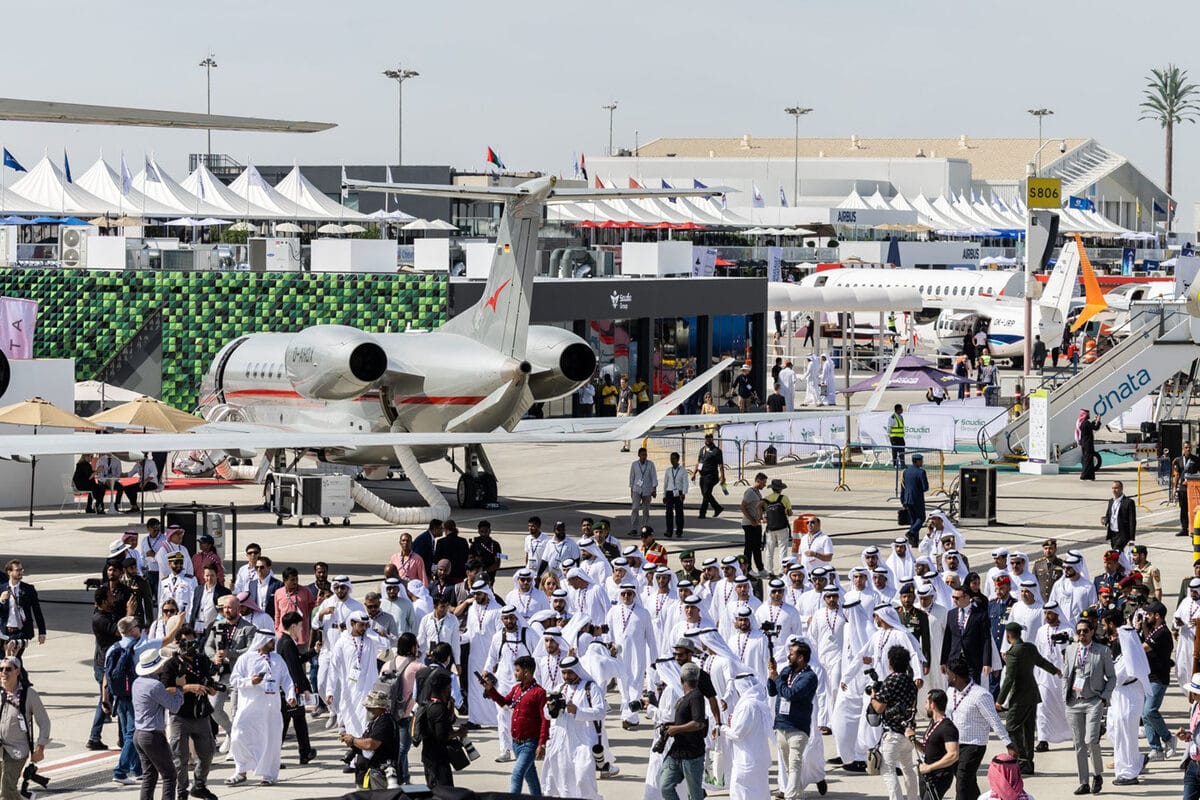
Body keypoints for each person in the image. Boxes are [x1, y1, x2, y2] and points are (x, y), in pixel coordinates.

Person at [133, 648, 207, 800]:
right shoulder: (154, 686)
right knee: (169, 775)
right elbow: (174, 706)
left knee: (149, 775)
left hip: (139, 734)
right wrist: (180, 687)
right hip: (153, 735)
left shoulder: (137, 682)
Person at [226, 630, 296, 787]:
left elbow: (287, 679)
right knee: (238, 737)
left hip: (271, 710)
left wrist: (291, 695)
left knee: (270, 741)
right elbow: (234, 680)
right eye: (271, 641)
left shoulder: (278, 659)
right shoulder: (246, 659)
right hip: (249, 709)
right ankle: (241, 771)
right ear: (262, 641)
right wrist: (251, 681)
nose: (274, 644)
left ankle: (269, 775)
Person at [160, 624, 220, 800]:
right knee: (180, 757)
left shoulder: (201, 660)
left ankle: (199, 785)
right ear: (179, 644)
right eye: (187, 643)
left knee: (208, 752)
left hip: (201, 713)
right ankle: (182, 791)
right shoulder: (171, 664)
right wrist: (187, 688)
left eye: (193, 642)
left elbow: (211, 679)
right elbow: (166, 689)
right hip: (180, 715)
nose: (191, 647)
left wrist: (210, 688)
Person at [944, 658, 1018, 800]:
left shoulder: (981, 695)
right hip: (954, 745)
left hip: (974, 745)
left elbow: (994, 720)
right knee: (969, 783)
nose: (946, 676)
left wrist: (1008, 743)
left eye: (948, 673)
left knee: (962, 782)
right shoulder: (950, 692)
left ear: (955, 676)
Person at [994, 621, 1059, 775]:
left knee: (1011, 726)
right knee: (1028, 729)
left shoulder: (1013, 652)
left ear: (1008, 635)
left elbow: (1009, 678)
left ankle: (1022, 760)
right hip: (1032, 693)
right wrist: (1055, 670)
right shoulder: (1029, 648)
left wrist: (1000, 700)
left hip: (1020, 695)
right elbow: (1041, 662)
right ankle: (1028, 762)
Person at [481, 655, 550, 795]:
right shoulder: (516, 689)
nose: (515, 673)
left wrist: (541, 743)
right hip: (516, 744)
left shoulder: (539, 693)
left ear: (527, 672)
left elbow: (545, 720)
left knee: (517, 775)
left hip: (530, 744)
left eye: (517, 670)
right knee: (531, 778)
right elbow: (504, 702)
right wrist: (490, 689)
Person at [1062, 619, 1114, 795]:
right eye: (1079, 631)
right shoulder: (1070, 650)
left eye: (1085, 631)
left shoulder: (1102, 651)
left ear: (1092, 632)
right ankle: (1083, 781)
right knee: (1078, 744)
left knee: (1091, 740)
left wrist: (1104, 698)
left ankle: (1097, 774)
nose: (1082, 635)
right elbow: (1065, 675)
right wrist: (1065, 697)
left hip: (1093, 700)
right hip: (1074, 701)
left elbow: (1111, 678)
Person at [768, 638, 820, 800]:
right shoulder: (786, 671)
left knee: (795, 762)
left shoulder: (810, 677)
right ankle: (798, 795)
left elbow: (791, 694)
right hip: (782, 725)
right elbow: (772, 692)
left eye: (791, 654)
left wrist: (776, 678)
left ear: (801, 658)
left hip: (798, 727)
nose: (788, 657)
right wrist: (772, 675)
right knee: (789, 766)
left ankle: (790, 797)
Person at [870, 645, 920, 800]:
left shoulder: (890, 681)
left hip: (892, 734)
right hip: (908, 732)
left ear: (890, 662)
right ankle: (913, 798)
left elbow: (879, 708)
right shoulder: (911, 682)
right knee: (908, 769)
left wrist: (873, 696)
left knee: (888, 770)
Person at [0, 655, 49, 800]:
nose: (4, 672)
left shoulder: (29, 695)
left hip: (16, 749)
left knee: (7, 790)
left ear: (17, 672)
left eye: (8, 669)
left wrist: (40, 748)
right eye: (1, 669)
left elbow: (44, 722)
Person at [658, 661, 707, 800]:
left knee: (695, 795)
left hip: (692, 755)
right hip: (677, 752)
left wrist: (676, 729)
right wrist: (671, 725)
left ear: (681, 680)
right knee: (665, 786)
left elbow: (698, 723)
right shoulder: (685, 697)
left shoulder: (696, 696)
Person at [1138, 601, 1177, 761]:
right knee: (1144, 714)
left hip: (1159, 678)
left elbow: (1142, 648)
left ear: (1157, 616)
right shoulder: (1154, 630)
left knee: (1150, 711)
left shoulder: (1162, 633)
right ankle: (1156, 748)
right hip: (1149, 677)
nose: (1146, 617)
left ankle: (1168, 738)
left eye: (1149, 614)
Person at [277, 611, 317, 765]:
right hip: (291, 690)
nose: (301, 629)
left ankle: (305, 752)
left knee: (297, 721)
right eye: (300, 626)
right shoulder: (287, 643)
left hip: (290, 690)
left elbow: (297, 659)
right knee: (287, 724)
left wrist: (313, 652)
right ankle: (302, 752)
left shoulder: (286, 641)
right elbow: (295, 668)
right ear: (293, 626)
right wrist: (304, 687)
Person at [906, 689, 958, 800]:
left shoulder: (947, 727)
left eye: (926, 702)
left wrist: (930, 767)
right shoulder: (933, 723)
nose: (925, 706)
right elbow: (927, 749)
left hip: (939, 776)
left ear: (932, 704)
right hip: (927, 774)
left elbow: (953, 755)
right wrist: (913, 740)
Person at [341, 689, 398, 790]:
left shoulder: (385, 722)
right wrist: (353, 742)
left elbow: (371, 744)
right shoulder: (375, 721)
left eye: (370, 707)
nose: (367, 709)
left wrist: (353, 740)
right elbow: (366, 740)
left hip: (378, 774)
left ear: (380, 708)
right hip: (366, 773)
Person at [419, 670, 463, 789]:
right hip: (437, 759)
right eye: (449, 687)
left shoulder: (429, 703)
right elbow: (441, 736)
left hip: (430, 756)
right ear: (444, 688)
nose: (450, 690)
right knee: (443, 792)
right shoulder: (438, 709)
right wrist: (458, 733)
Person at [942, 587, 993, 686]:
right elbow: (947, 638)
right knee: (954, 688)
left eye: (957, 598)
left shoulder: (980, 614)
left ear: (967, 597)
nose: (954, 600)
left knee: (972, 687)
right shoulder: (951, 614)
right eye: (953, 597)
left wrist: (987, 662)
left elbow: (986, 639)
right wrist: (943, 661)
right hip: (955, 659)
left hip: (972, 660)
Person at [0, 561, 45, 658]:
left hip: (21, 632)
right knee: (7, 663)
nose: (21, 572)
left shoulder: (28, 589)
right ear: (9, 572)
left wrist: (42, 632)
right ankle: (21, 673)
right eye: (17, 570)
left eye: (21, 569)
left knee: (14, 660)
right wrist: (2, 601)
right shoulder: (1, 589)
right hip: (4, 632)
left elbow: (37, 611)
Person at [1176, 672, 1200, 800]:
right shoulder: (1195, 706)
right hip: (1193, 764)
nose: (1192, 695)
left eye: (1194, 692)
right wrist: (1187, 735)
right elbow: (1196, 733)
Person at [740, 473, 768, 578]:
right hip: (749, 524)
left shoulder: (757, 493)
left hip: (756, 524)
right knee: (749, 548)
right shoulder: (750, 492)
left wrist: (761, 518)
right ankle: (748, 569)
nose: (764, 485)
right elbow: (742, 507)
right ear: (758, 480)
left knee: (757, 547)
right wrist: (751, 520)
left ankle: (760, 568)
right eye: (764, 482)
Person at [693, 433, 726, 518]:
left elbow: (721, 465)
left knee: (706, 493)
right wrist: (694, 473)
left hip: (711, 475)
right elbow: (698, 462)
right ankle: (717, 508)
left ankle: (702, 513)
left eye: (709, 437)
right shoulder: (702, 450)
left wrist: (723, 477)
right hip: (702, 476)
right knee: (705, 494)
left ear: (712, 439)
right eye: (706, 437)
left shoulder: (716, 451)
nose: (708, 439)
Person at [902, 454, 930, 547]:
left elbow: (903, 486)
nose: (922, 462)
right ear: (917, 461)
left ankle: (914, 541)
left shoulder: (906, 471)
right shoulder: (921, 472)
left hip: (907, 498)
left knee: (913, 520)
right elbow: (925, 487)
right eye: (921, 460)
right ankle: (912, 532)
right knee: (921, 517)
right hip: (917, 499)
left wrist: (903, 499)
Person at [1101, 480, 1136, 553]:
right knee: (1119, 555)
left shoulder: (1128, 502)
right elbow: (1108, 515)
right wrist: (1105, 519)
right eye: (1113, 488)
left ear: (1121, 488)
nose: (1114, 490)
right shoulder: (1111, 501)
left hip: (1123, 534)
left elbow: (1132, 521)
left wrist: (1132, 539)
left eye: (1116, 488)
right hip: (1113, 534)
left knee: (1115, 552)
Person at [629, 447, 659, 532]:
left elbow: (654, 477)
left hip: (647, 490)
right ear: (639, 455)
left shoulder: (650, 464)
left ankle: (644, 527)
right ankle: (634, 528)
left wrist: (654, 489)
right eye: (642, 455)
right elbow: (632, 477)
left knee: (646, 510)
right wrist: (631, 490)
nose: (644, 456)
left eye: (645, 455)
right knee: (635, 508)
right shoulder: (634, 464)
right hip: (636, 489)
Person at [663, 451, 689, 539]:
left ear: (678, 459)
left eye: (673, 458)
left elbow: (685, 482)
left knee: (679, 512)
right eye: (671, 458)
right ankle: (669, 531)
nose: (672, 460)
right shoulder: (668, 470)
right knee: (668, 512)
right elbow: (665, 483)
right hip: (670, 492)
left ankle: (679, 531)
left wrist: (684, 493)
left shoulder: (683, 470)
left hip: (679, 492)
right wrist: (664, 495)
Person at [1076, 410, 1101, 481]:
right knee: (1088, 460)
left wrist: (1094, 420)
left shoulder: (1083, 423)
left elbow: (1091, 426)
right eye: (1088, 414)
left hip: (1085, 444)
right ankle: (1084, 476)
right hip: (1088, 444)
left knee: (1088, 460)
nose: (1089, 415)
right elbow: (1095, 428)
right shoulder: (1086, 423)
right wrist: (1098, 421)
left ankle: (1089, 476)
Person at [617, 375, 635, 451]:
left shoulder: (629, 391)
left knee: (627, 430)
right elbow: (619, 401)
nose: (622, 384)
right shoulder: (621, 391)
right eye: (621, 382)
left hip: (625, 413)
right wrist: (617, 411)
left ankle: (627, 446)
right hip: (620, 412)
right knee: (622, 430)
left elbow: (630, 403)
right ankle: (624, 445)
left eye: (623, 382)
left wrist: (628, 413)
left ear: (627, 383)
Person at [889, 404, 907, 469]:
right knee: (895, 452)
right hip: (894, 437)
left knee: (902, 451)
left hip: (900, 437)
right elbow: (889, 428)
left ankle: (902, 464)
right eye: (901, 408)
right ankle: (894, 464)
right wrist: (891, 437)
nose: (902, 410)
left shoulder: (901, 417)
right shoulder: (892, 417)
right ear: (897, 410)